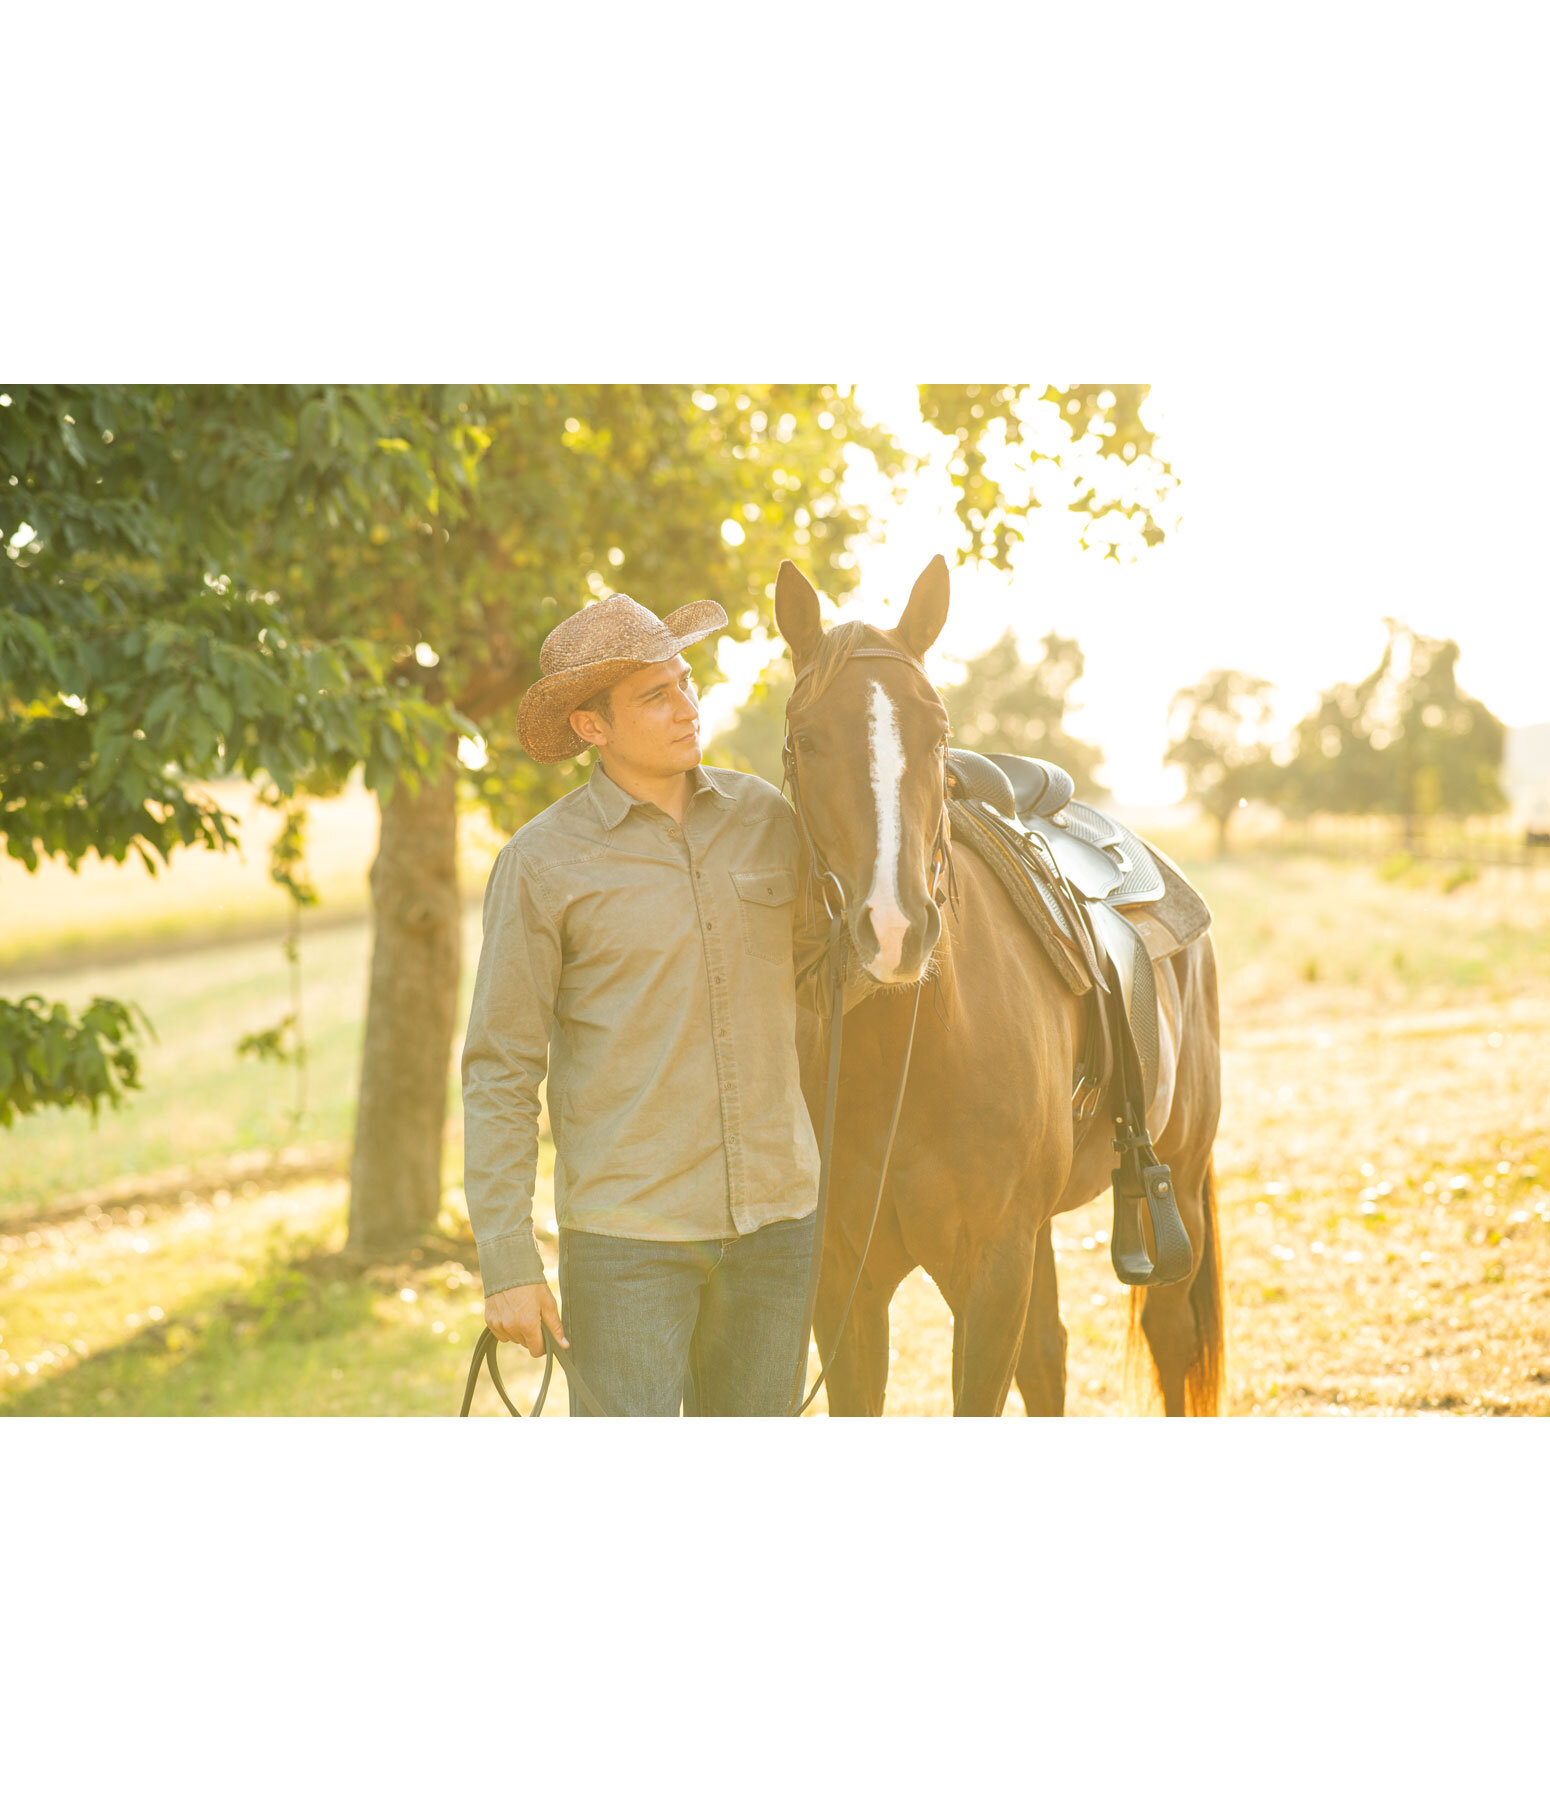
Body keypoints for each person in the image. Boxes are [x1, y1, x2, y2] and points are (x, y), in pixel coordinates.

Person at [460, 591, 834, 1416]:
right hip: (629, 1247)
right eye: (655, 696)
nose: (686, 707)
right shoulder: (542, 864)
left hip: (779, 1226)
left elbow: (840, 975)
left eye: (686, 681)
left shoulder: (769, 820)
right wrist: (509, 1260)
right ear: (592, 728)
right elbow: (499, 1069)